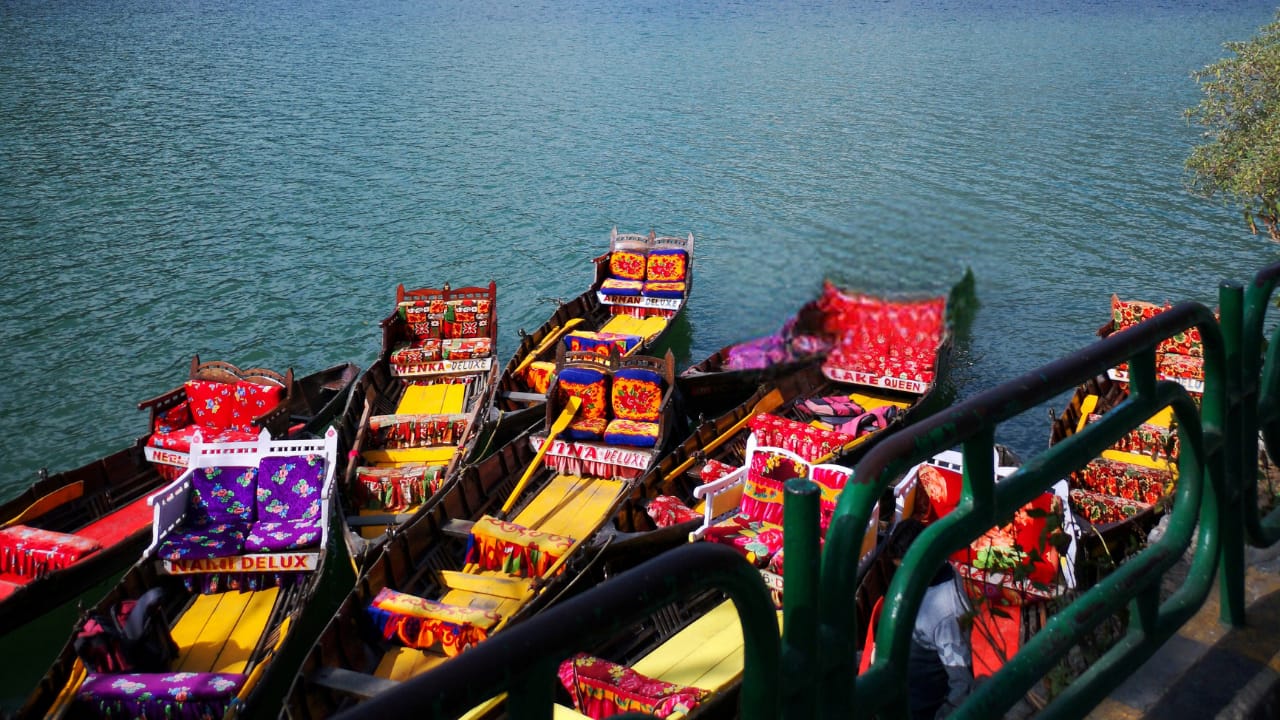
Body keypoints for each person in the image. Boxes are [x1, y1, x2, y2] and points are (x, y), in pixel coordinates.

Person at [883, 518, 975, 720]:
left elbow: (962, 684)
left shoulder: (947, 615)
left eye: (907, 571)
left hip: (919, 705)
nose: (903, 577)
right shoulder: (934, 572)